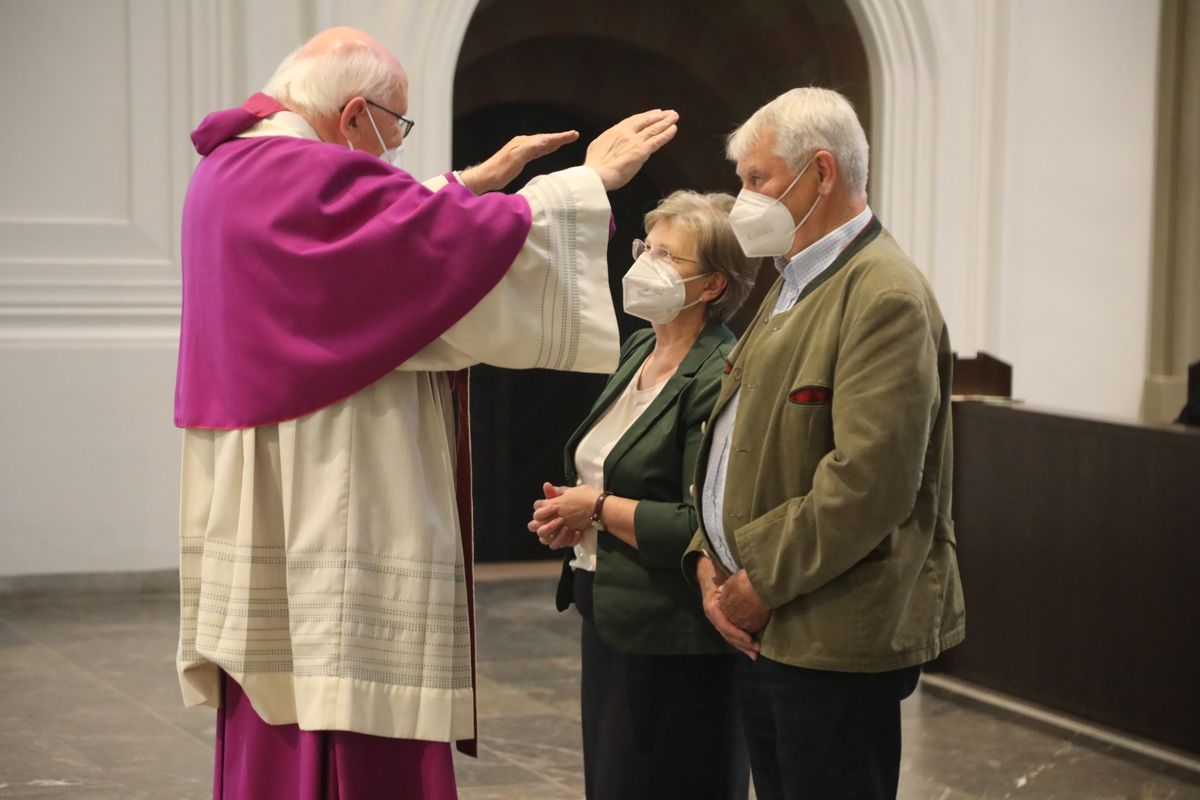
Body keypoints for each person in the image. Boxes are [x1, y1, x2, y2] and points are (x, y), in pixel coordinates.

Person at [174, 26, 678, 799]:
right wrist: (585, 184)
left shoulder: (238, 167)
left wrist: (472, 184)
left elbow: (380, 245)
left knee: (285, 699)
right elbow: (410, 254)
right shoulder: (297, 174)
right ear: (351, 115)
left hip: (274, 480)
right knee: (343, 699)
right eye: (393, 126)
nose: (393, 150)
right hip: (333, 482)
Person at [683, 88, 966, 800]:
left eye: (758, 180)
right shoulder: (794, 282)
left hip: (831, 629)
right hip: (771, 622)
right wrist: (708, 561)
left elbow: (870, 482)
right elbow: (738, 436)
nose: (743, 199)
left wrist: (758, 582)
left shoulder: (883, 296)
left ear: (821, 173)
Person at [528, 191, 757, 800]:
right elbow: (614, 468)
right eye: (646, 248)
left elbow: (703, 521)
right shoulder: (640, 349)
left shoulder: (720, 371)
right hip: (606, 607)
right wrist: (572, 514)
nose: (644, 264)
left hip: (672, 626)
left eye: (666, 255)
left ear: (711, 286)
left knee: (667, 779)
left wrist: (596, 509)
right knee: (613, 780)